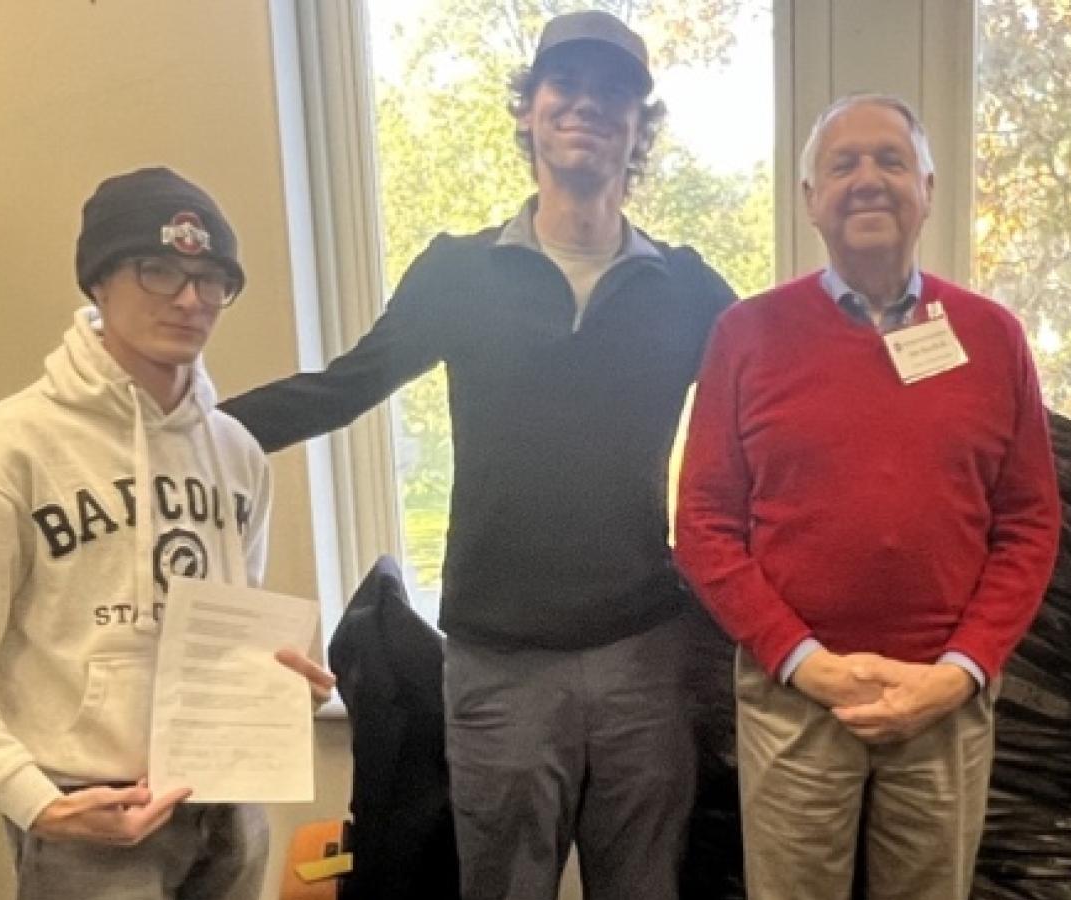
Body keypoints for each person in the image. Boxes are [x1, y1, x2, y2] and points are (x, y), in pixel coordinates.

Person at [219, 10, 735, 899]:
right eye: (564, 87)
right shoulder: (460, 273)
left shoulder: (687, 288)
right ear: (530, 109)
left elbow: (781, 411)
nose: (586, 106)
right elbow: (344, 387)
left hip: (645, 659)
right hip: (498, 660)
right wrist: (186, 432)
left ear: (637, 126)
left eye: (613, 93)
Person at [674, 94, 1060, 900]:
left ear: (927, 186)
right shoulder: (747, 334)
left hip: (944, 703)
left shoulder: (991, 337)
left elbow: (1029, 524)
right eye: (842, 164)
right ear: (810, 199)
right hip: (795, 697)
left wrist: (960, 672)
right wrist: (807, 664)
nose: (868, 180)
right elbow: (705, 526)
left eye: (890, 160)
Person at [0, 166, 332, 900]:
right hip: (90, 822)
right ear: (99, 282)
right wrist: (32, 798)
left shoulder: (234, 452)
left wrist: (271, 688)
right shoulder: (2, 453)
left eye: (212, 278)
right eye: (159, 270)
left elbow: (221, 625)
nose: (191, 298)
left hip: (227, 804)